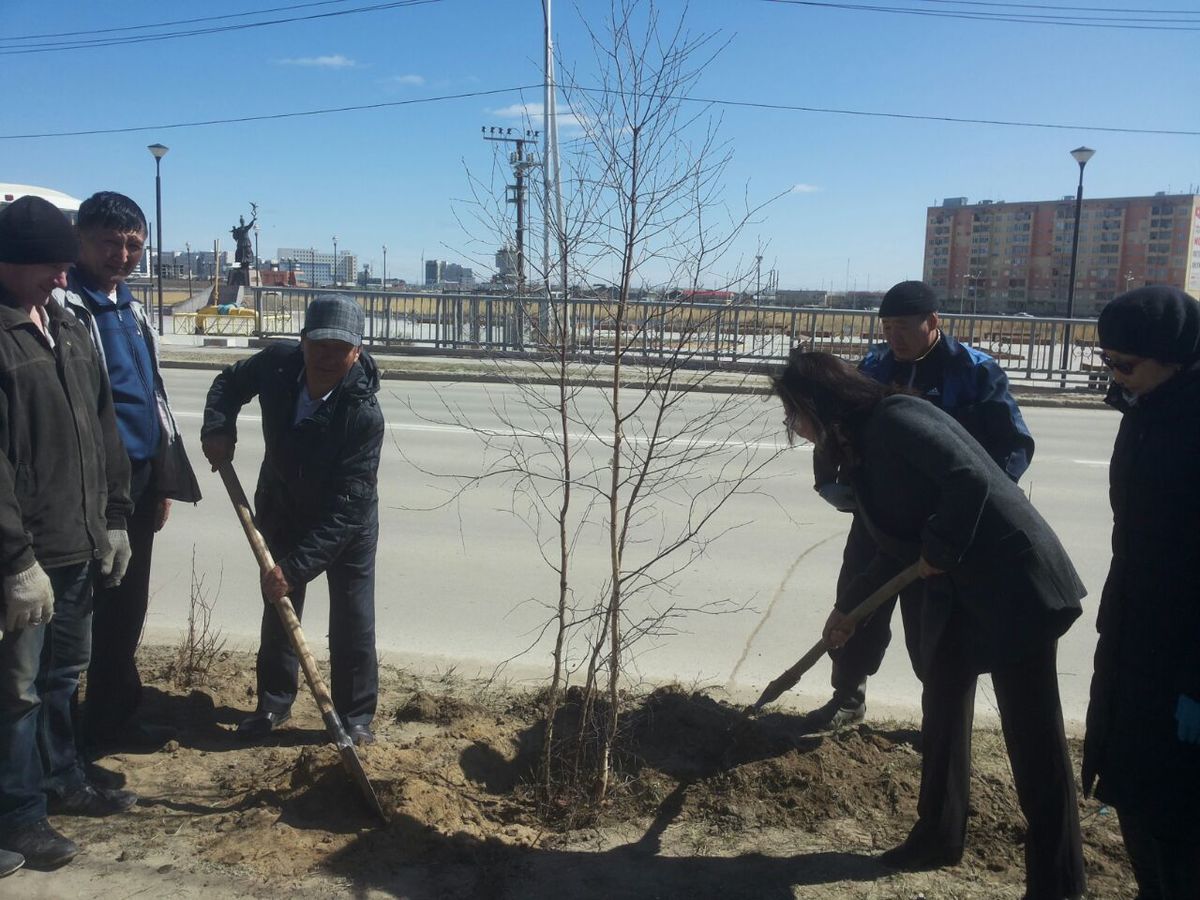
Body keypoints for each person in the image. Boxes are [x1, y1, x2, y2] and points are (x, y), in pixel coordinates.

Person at [774, 350, 1085, 900]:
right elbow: (888, 543)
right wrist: (849, 609)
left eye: (791, 415)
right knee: (941, 706)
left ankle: (1058, 881)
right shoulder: (857, 444)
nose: (793, 429)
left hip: (1013, 585)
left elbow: (969, 478)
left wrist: (940, 545)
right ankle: (937, 836)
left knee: (1032, 736)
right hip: (956, 588)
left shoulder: (896, 418)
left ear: (813, 404)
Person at [806, 279, 1034, 731]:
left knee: (932, 624)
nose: (894, 337)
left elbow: (1012, 445)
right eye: (887, 327)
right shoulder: (874, 365)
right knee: (857, 602)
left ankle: (941, 721)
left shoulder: (974, 371)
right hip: (879, 518)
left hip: (941, 525)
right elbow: (842, 426)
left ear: (933, 322)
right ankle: (847, 696)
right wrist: (835, 479)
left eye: (903, 327)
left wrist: (977, 507)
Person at [0, 196, 136, 870]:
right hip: (26, 554)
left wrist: (114, 516)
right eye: (50, 267)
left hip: (80, 542)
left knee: (62, 678)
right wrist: (14, 558)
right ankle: (17, 814)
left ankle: (61, 781)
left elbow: (103, 424)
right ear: (10, 264)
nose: (63, 277)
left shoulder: (70, 327)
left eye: (63, 266)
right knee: (17, 693)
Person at [200, 295, 383, 746]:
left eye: (340, 347)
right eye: (319, 344)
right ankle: (273, 704)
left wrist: (294, 568)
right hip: (281, 505)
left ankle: (354, 716)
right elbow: (228, 384)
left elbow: (348, 508)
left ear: (356, 352)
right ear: (302, 343)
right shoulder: (276, 365)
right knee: (280, 610)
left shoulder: (362, 414)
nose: (327, 356)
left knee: (352, 617)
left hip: (345, 524)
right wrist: (218, 427)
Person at [57, 191, 201, 752]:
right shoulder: (66, 306)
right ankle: (68, 741)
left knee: (126, 607)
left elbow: (152, 397)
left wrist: (163, 479)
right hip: (90, 485)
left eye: (133, 244)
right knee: (80, 615)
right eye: (110, 243)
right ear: (80, 241)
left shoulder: (131, 308)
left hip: (139, 479)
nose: (122, 254)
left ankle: (114, 720)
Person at [1082, 286, 1200, 899]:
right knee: (1132, 794)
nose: (1115, 374)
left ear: (1173, 358)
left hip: (1183, 657)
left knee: (1179, 817)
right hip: (1134, 637)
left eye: (1124, 364)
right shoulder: (1147, 411)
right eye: (1105, 360)